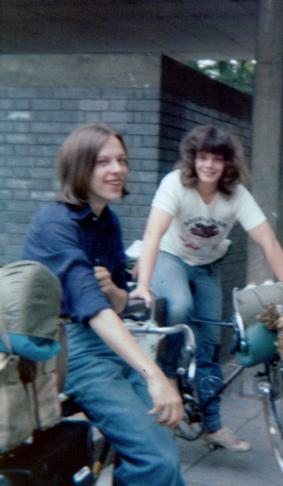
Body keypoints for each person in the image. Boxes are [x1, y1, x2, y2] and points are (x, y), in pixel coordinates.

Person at [130, 124, 283, 452]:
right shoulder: (175, 184)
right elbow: (153, 234)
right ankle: (168, 374)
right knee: (180, 307)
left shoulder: (237, 195)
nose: (209, 165)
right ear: (192, 159)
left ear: (228, 163)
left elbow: (267, 241)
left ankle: (213, 426)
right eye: (203, 157)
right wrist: (143, 284)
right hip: (169, 257)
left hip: (207, 267)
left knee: (212, 341)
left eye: (217, 159)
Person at [22, 122, 185, 486]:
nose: (117, 170)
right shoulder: (54, 222)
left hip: (108, 338)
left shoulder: (107, 221)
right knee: (155, 460)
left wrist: (113, 289)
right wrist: (155, 375)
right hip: (70, 348)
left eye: (122, 160)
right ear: (79, 167)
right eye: (102, 162)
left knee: (162, 445)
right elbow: (94, 313)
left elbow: (120, 301)